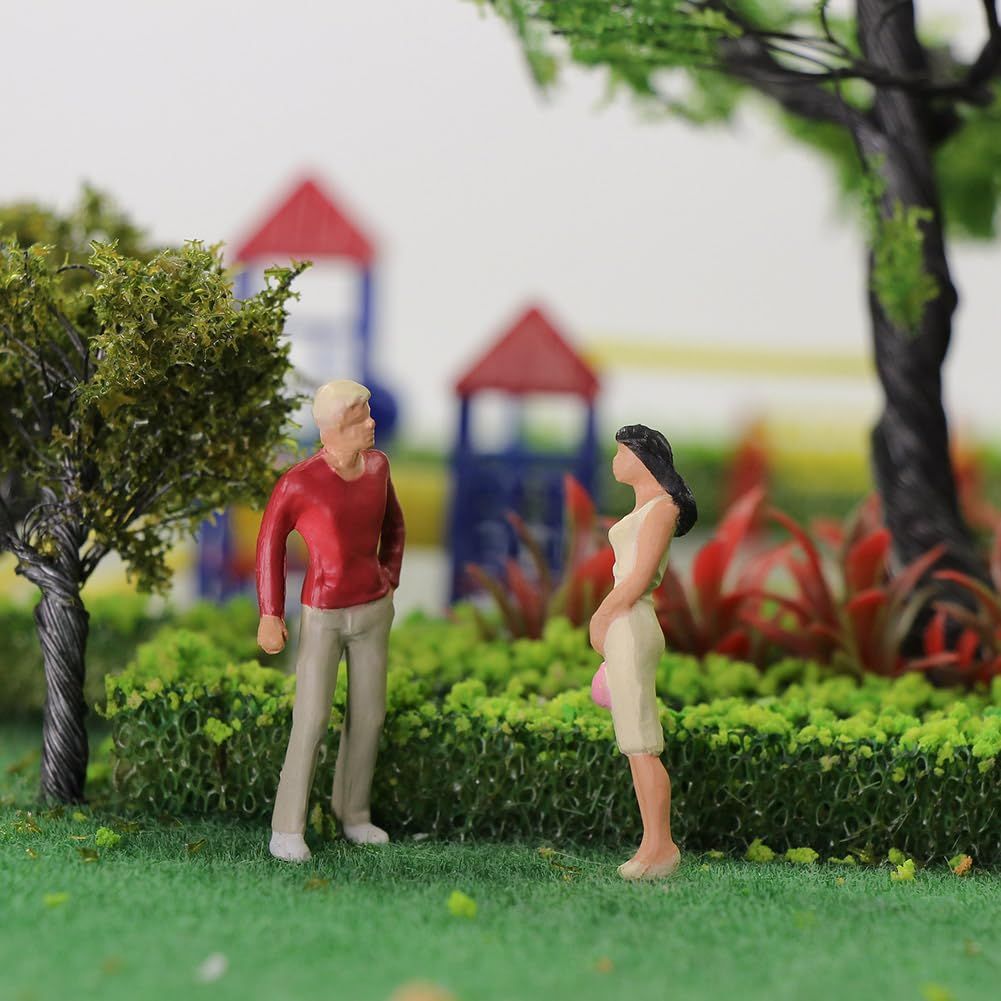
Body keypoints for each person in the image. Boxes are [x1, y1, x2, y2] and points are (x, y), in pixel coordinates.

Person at [256, 379, 405, 863]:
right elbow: (270, 544)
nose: (372, 423)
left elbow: (395, 525)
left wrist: (390, 575)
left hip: (373, 609)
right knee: (312, 717)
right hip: (322, 613)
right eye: (361, 417)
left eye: (369, 413)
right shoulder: (299, 483)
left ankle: (354, 813)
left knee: (369, 715)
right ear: (334, 427)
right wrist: (271, 613)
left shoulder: (379, 467)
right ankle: (287, 827)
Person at [588, 425, 697, 881]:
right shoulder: (645, 508)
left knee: (643, 745)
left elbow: (637, 578)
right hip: (625, 624)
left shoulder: (661, 509)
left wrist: (601, 616)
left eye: (621, 452)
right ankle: (652, 845)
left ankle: (661, 847)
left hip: (631, 622)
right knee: (634, 746)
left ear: (641, 456)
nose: (616, 461)